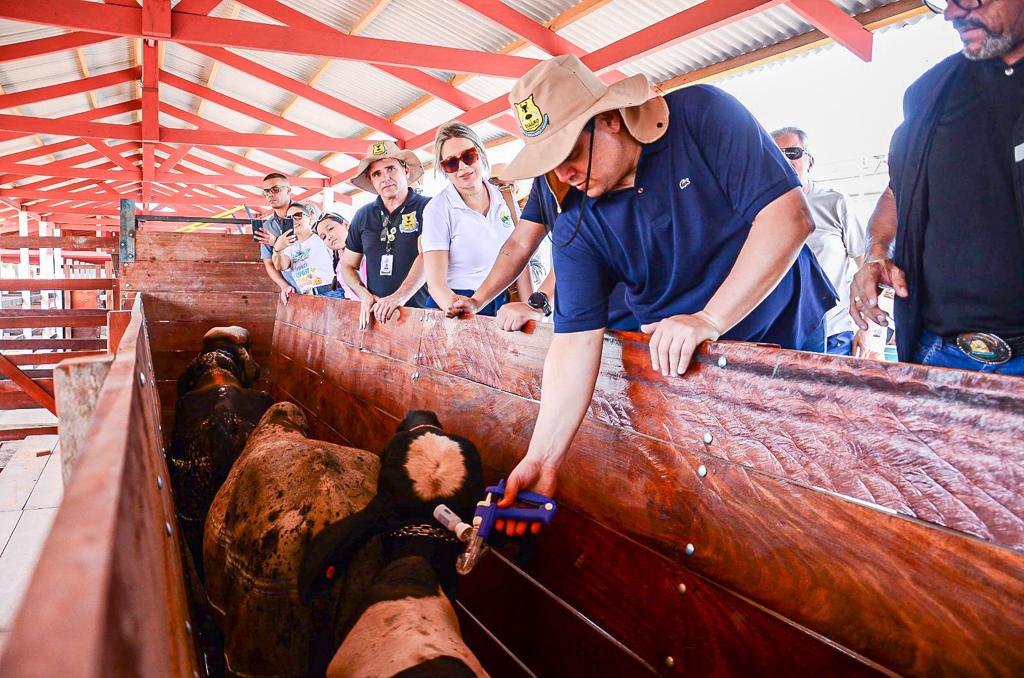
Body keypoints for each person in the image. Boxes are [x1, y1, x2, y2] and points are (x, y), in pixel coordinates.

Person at [490, 55, 835, 530]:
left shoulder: (701, 115)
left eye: (569, 152)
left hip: (779, 327)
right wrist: (544, 458)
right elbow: (574, 341)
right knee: (723, 502)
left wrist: (709, 318)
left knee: (802, 485)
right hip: (684, 357)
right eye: (549, 163)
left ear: (610, 119)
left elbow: (788, 217)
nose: (563, 173)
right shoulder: (573, 216)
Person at [850, 0, 1024, 373]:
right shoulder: (929, 93)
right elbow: (898, 189)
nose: (951, 14)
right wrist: (877, 253)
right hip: (937, 355)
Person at [449, 175, 638, 333]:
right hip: (577, 320)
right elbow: (519, 244)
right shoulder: (546, 180)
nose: (563, 174)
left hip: (639, 319)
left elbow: (583, 253)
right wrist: (477, 300)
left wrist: (538, 304)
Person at [772, 127, 868, 356]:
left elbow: (866, 266)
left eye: (793, 153)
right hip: (782, 335)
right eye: (775, 154)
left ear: (810, 162)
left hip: (835, 335)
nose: (785, 160)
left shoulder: (835, 203)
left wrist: (865, 330)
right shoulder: (761, 211)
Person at [421, 123, 534, 317]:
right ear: (444, 170)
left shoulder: (506, 199)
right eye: (451, 163)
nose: (463, 167)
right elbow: (436, 284)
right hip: (456, 303)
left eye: (468, 156)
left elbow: (521, 263)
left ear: (480, 154)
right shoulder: (438, 209)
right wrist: (459, 309)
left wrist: (530, 310)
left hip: (502, 302)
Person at [342, 141, 431, 329]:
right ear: (372, 181)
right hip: (378, 316)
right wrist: (363, 294)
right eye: (377, 174)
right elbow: (348, 265)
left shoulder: (428, 208)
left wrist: (399, 297)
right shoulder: (363, 215)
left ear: (405, 171)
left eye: (391, 168)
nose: (385, 178)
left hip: (423, 315)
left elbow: (428, 256)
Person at [254, 173, 301, 304]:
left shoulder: (307, 212)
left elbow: (316, 246)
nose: (270, 194)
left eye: (276, 189)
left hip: (321, 285)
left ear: (289, 190)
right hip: (295, 290)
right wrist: (284, 285)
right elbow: (268, 263)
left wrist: (276, 242)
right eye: (266, 191)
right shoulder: (267, 226)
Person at [271, 202, 335, 296]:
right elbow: (281, 266)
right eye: (289, 218)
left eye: (298, 215)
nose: (294, 220)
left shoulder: (321, 237)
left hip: (331, 292)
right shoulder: (289, 246)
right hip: (307, 296)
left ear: (310, 218)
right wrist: (278, 249)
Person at [315, 212, 362, 301]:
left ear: (346, 224)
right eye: (323, 237)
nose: (329, 237)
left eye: (330, 229)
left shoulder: (367, 249)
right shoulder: (340, 261)